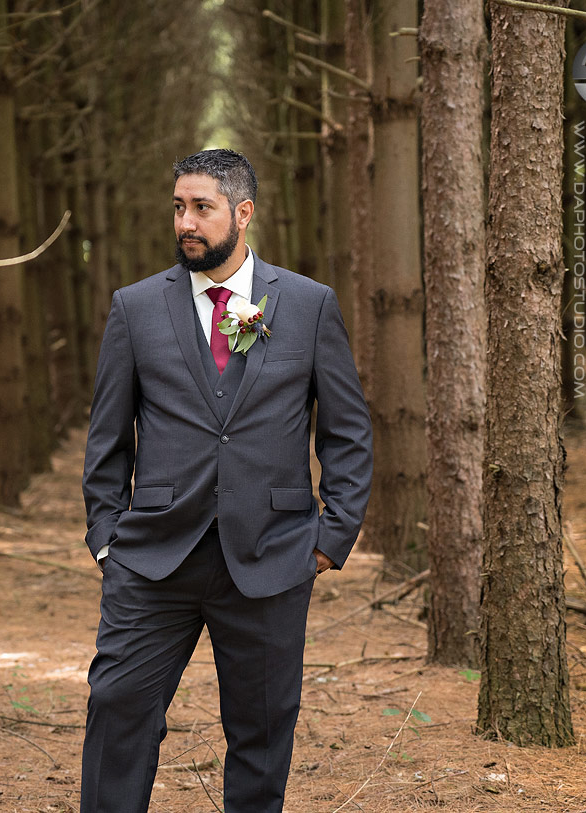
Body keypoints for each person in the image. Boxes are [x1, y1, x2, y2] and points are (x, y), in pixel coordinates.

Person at [80, 148, 373, 813]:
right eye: (179, 207)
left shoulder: (307, 305)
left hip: (272, 556)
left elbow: (347, 431)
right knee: (117, 708)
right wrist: (107, 539)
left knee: (262, 731)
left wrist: (331, 537)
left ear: (243, 213)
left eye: (202, 208)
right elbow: (106, 440)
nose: (186, 221)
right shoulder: (134, 308)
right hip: (153, 559)